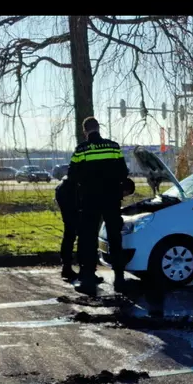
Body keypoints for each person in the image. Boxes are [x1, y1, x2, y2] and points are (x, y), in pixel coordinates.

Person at [67, 117, 129, 294]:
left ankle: (88, 277)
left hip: (90, 200)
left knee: (88, 238)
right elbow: (123, 172)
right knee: (115, 238)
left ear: (84, 131)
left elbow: (72, 175)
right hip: (111, 199)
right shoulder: (113, 147)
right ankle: (119, 278)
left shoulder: (81, 150)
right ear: (98, 128)